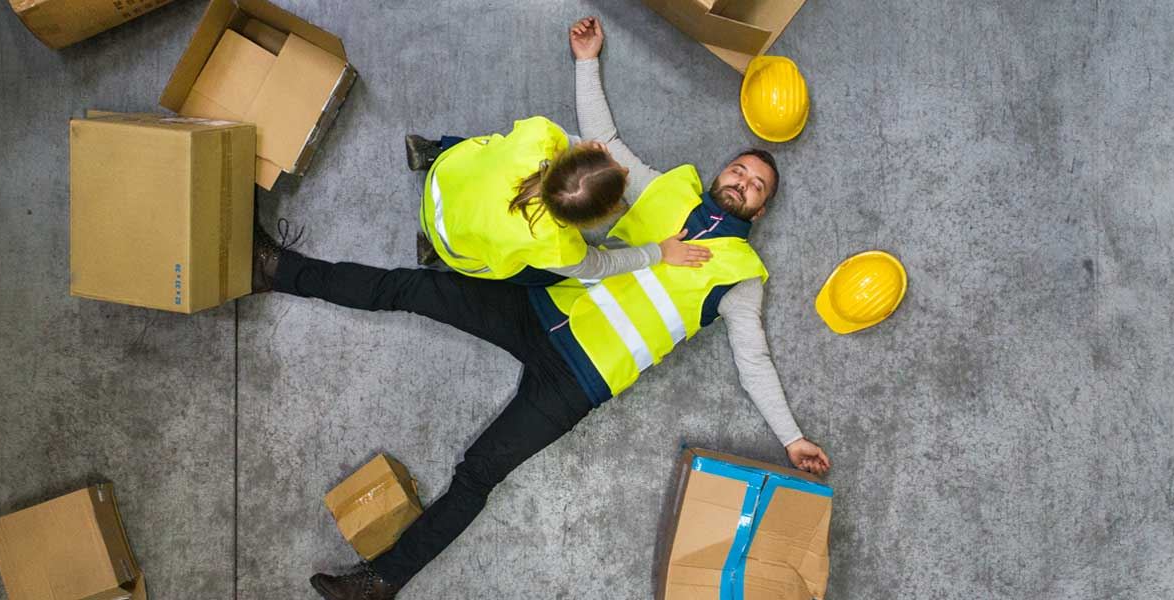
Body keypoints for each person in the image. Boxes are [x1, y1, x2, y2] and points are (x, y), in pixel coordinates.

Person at [270, 15, 830, 600]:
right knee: (407, 289)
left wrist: (790, 438)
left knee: (479, 471)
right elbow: (604, 147)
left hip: (576, 381)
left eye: (756, 185)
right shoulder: (667, 188)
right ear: (721, 172)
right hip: (537, 305)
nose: (742, 181)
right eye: (739, 169)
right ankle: (277, 270)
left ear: (759, 211)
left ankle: (380, 582)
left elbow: (753, 357)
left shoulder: (744, 276)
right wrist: (587, 61)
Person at [405, 116, 711, 286]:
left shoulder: (538, 137)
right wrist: (658, 252)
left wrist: (577, 144)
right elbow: (600, 264)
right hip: (457, 250)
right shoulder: (556, 247)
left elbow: (564, 141)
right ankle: (438, 253)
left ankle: (428, 152)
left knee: (487, 151)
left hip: (444, 176)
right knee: (545, 278)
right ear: (596, 218)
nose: (626, 167)